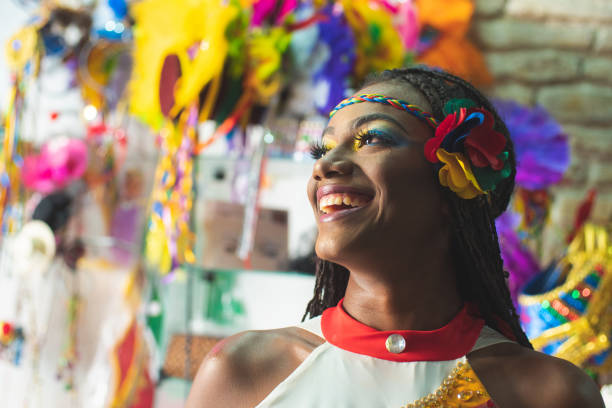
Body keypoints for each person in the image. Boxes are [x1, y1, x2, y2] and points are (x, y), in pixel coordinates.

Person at [186, 66, 605, 407]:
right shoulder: (242, 374)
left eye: (372, 139)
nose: (326, 164)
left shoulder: (548, 395)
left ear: (451, 187)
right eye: (322, 150)